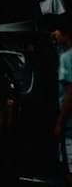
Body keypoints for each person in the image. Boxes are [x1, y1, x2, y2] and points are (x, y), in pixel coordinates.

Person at [54, 13, 72, 184]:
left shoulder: (66, 59)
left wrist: (59, 121)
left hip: (69, 125)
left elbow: (69, 94)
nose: (55, 33)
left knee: (69, 171)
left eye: (58, 30)